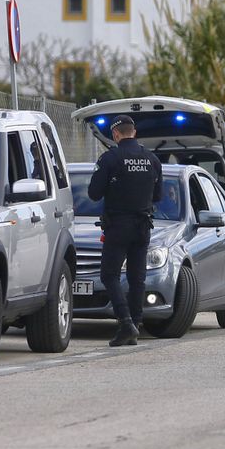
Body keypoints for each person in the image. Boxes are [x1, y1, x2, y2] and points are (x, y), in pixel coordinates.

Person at [86, 115, 162, 347]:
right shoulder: (152, 159)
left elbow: (93, 193)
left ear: (116, 134)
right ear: (134, 132)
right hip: (143, 225)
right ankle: (135, 324)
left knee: (109, 275)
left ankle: (126, 322)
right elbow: (158, 196)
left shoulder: (110, 158)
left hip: (118, 226)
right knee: (137, 278)